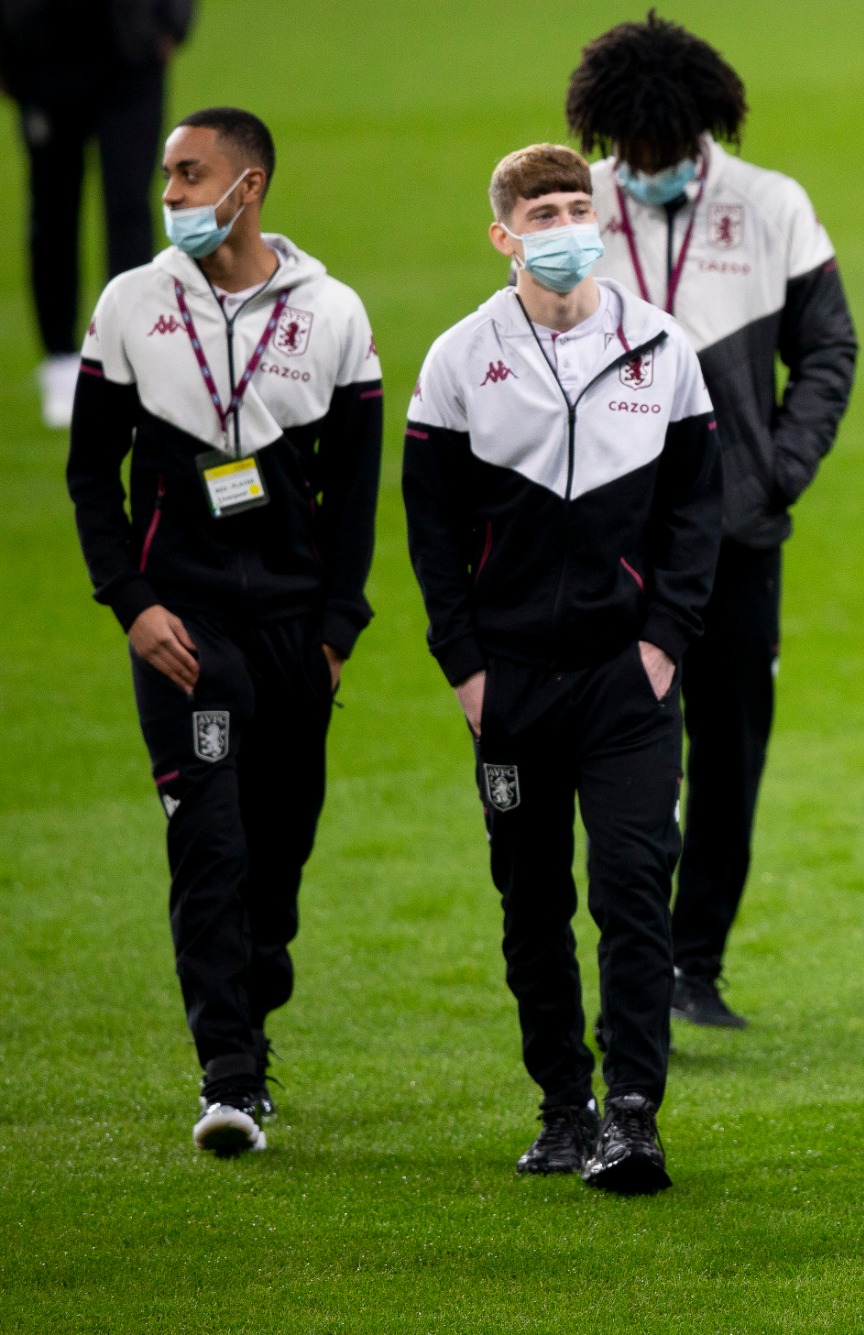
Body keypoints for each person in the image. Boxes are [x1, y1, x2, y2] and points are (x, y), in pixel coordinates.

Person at [402, 144, 721, 1195]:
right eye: (544, 211)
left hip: (627, 685)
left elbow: (695, 514)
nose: (566, 224)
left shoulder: (662, 347)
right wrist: (465, 669)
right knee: (529, 897)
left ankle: (632, 1115)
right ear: (504, 235)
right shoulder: (457, 360)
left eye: (578, 206)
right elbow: (431, 529)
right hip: (511, 690)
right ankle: (561, 1108)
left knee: (633, 887)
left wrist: (664, 643)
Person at [65, 107, 383, 1156]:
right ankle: (230, 1078)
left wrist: (338, 629)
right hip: (184, 626)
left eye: (189, 177)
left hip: (297, 632)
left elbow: (356, 494)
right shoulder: (130, 307)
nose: (170, 197)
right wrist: (133, 603)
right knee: (209, 839)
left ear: (248, 189)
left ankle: (257, 981)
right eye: (166, 176)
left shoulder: (333, 314)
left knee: (277, 852)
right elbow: (90, 478)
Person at [566, 14, 857, 1029]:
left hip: (735, 539)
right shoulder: (574, 211)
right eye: (624, 153)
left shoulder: (768, 205)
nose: (639, 169)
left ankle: (697, 965)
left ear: (700, 132)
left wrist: (777, 472)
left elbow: (828, 349)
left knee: (731, 754)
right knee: (626, 757)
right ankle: (637, 967)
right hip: (609, 540)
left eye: (658, 152)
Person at [1, 0, 195, 429]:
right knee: (52, 212)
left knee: (129, 207)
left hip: (131, 52)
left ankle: (128, 357)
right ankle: (61, 362)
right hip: (41, 57)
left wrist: (173, 22)